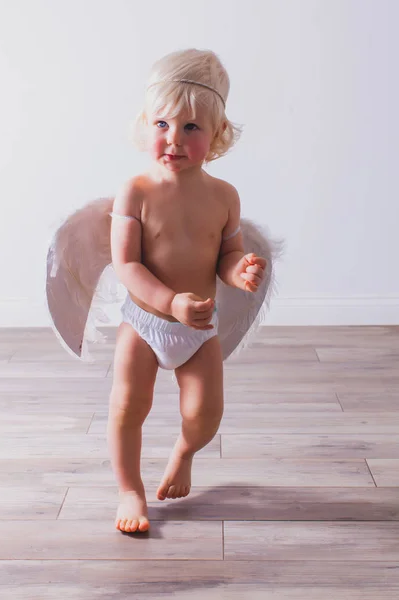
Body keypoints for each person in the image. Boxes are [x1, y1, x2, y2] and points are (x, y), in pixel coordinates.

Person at [107, 48, 268, 533]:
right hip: (146, 322)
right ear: (146, 124)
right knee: (127, 407)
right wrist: (169, 302)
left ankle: (184, 451)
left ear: (218, 135)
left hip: (198, 329)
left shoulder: (223, 196)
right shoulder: (135, 190)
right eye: (162, 125)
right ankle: (130, 490)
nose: (173, 140)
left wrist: (239, 270)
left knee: (205, 414)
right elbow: (127, 265)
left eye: (191, 128)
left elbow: (226, 253)